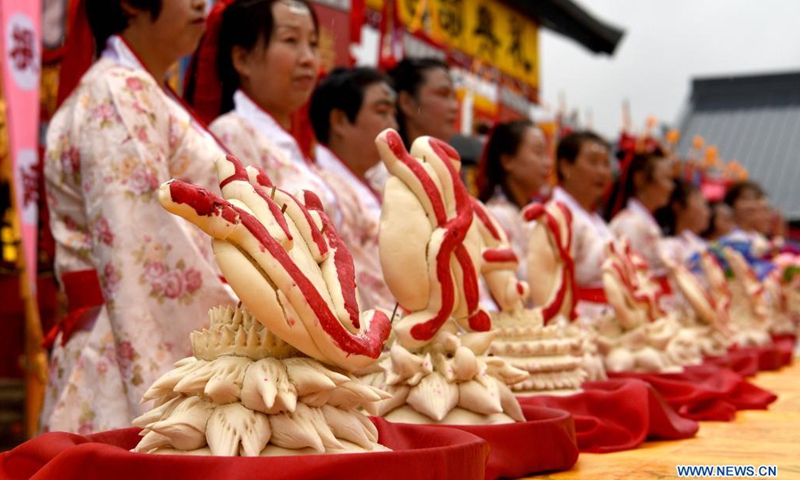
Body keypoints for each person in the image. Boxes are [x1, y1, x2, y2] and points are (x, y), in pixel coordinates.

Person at [42, 0, 235, 434]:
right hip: (127, 338)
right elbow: (143, 243)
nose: (200, 3)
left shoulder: (134, 87)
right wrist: (248, 315)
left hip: (118, 334)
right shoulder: (119, 90)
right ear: (130, 3)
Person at [188, 0, 342, 224]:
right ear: (242, 59)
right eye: (290, 40)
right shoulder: (231, 135)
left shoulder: (291, 147)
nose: (308, 58)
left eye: (313, 43)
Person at [308, 67, 397, 309]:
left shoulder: (379, 187)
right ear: (339, 120)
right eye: (381, 112)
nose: (392, 125)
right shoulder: (318, 187)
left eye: (393, 114)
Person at [364, 57, 459, 193]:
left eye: (454, 96)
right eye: (443, 94)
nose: (455, 106)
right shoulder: (383, 179)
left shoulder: (445, 173)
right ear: (406, 102)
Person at [477, 120, 553, 279]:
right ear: (507, 161)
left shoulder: (530, 213)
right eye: (538, 152)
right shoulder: (497, 215)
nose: (548, 163)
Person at [550, 131, 615, 291]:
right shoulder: (555, 216)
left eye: (606, 164)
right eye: (593, 162)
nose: (602, 171)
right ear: (565, 166)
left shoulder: (595, 220)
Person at [606, 146, 675, 276]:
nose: (671, 187)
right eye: (666, 178)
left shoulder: (643, 221)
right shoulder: (629, 223)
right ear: (640, 179)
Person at [656, 179, 711, 265]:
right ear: (678, 206)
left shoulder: (704, 246)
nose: (707, 212)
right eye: (701, 203)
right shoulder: (662, 242)